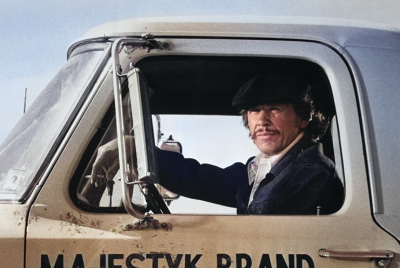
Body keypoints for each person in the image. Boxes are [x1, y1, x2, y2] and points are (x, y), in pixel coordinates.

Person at [91, 72, 344, 215]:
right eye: (254, 111)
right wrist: (137, 150)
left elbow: (262, 243)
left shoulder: (310, 172)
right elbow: (203, 179)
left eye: (275, 109)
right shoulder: (263, 167)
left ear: (303, 118)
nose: (262, 121)